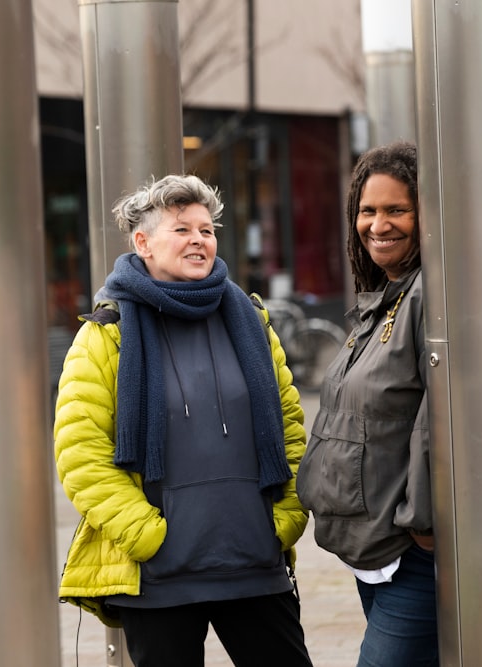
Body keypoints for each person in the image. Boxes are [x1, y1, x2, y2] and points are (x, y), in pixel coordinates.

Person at [53, 174, 313, 667]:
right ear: (143, 243)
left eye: (207, 230)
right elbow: (80, 455)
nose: (199, 240)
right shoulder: (107, 336)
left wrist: (284, 521)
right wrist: (148, 537)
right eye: (182, 230)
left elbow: (292, 431)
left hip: (254, 562)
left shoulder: (251, 323)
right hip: (161, 577)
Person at [296, 141, 438, 666]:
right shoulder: (384, 296)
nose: (379, 224)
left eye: (397, 209)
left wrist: (421, 526)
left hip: (411, 553)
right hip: (370, 551)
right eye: (368, 210)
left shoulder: (428, 297)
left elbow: (437, 421)